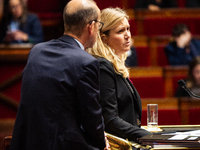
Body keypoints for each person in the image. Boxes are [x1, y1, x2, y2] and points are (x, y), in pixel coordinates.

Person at [10, 0, 109, 150]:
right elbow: (92, 119)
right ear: (91, 27)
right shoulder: (86, 62)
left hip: (26, 142)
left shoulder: (37, 51)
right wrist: (102, 143)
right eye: (99, 26)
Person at [86, 7, 151, 143]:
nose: (127, 35)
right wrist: (147, 136)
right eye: (121, 31)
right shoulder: (103, 67)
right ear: (104, 39)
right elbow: (110, 120)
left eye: (128, 29)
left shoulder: (115, 65)